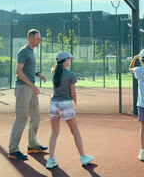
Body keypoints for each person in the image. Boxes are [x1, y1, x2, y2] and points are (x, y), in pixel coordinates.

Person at [45, 51, 94, 168]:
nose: (70, 61)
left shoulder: (53, 72)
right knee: (75, 131)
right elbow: (73, 92)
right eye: (69, 59)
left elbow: (54, 67)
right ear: (65, 60)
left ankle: (50, 160)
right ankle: (83, 157)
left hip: (53, 104)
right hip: (66, 104)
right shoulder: (71, 74)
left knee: (54, 133)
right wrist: (75, 102)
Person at [8, 29, 48, 160]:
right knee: (21, 118)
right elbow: (18, 71)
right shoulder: (24, 51)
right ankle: (13, 150)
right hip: (23, 88)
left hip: (30, 88)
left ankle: (32, 145)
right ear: (31, 39)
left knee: (35, 117)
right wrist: (32, 85)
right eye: (38, 39)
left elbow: (27, 68)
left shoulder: (30, 52)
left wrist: (37, 74)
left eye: (40, 38)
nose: (39, 41)